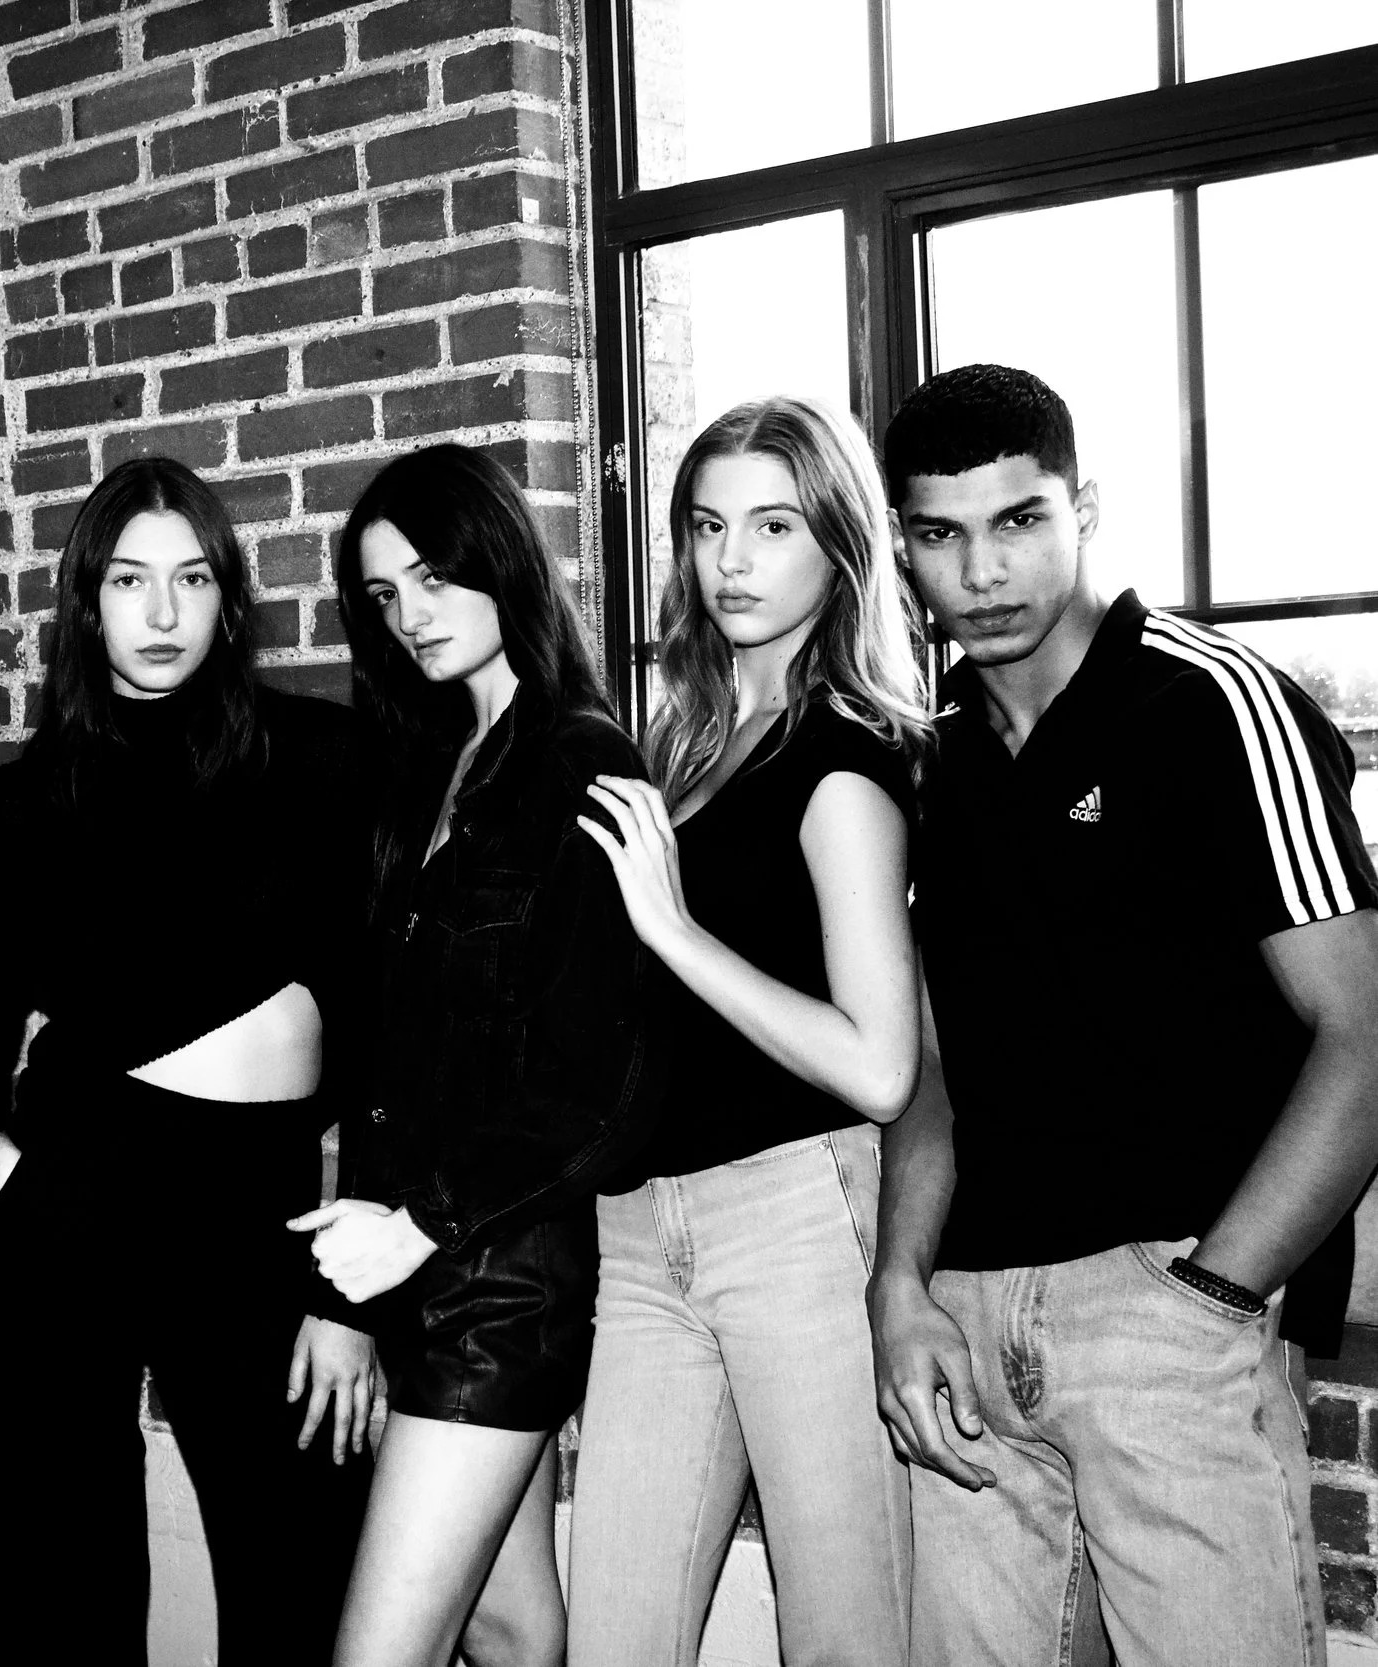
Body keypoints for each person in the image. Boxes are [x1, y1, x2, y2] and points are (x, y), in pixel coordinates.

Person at [869, 363, 1378, 1667]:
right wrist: (898, 1284)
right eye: (940, 533)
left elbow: (1366, 1029)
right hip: (972, 1323)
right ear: (904, 548)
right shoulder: (934, 765)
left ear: (1083, 506)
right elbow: (933, 1070)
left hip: (1176, 1306)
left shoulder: (1213, 702)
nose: (983, 569)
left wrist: (1219, 1291)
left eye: (1019, 519)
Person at [0, 456, 375, 1667]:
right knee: (61, 1588)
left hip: (251, 1201)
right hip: (69, 1192)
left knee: (302, 1570)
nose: (162, 613)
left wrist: (347, 1295)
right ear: (88, 602)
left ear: (230, 600)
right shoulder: (23, 802)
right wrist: (8, 1181)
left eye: (191, 579)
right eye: (130, 580)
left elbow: (388, 1036)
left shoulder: (323, 760)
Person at [561, 397, 930, 1666]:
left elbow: (879, 1063)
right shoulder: (685, 747)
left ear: (837, 544)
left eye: (772, 525)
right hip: (641, 1228)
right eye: (709, 525)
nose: (732, 560)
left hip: (795, 1220)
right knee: (614, 1634)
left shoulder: (845, 759)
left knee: (843, 1640)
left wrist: (668, 927)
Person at [300, 441, 668, 1667]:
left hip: (501, 1282)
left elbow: (604, 1083)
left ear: (499, 561)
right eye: (381, 595)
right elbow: (383, 1070)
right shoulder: (426, 772)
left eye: (431, 577)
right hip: (417, 1271)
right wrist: (346, 1283)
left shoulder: (583, 762)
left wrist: (417, 1224)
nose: (409, 614)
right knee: (510, 1631)